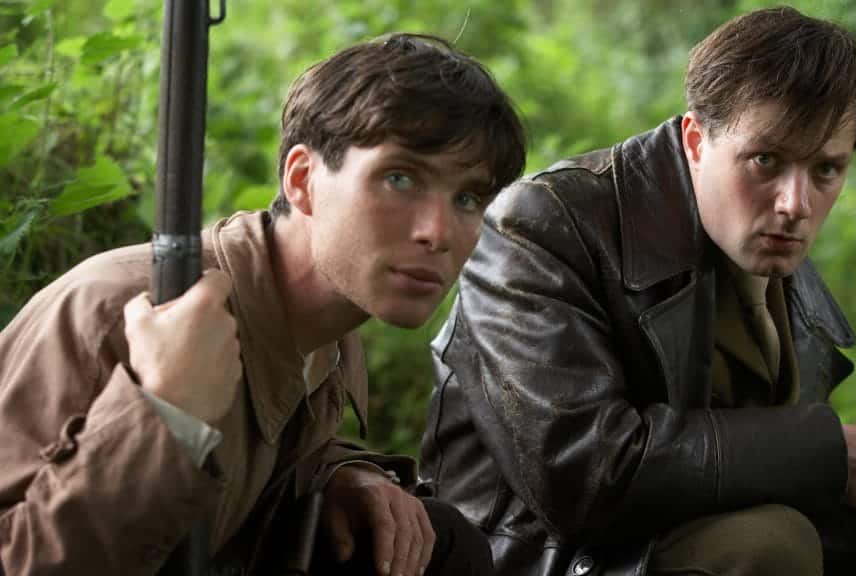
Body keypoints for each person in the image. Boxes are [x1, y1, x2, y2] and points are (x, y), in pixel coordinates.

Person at [418, 7, 856, 576]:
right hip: (526, 556)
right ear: (696, 141)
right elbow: (580, 471)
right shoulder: (542, 223)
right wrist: (832, 453)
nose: (796, 204)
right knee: (768, 546)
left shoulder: (773, 262)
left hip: (656, 540)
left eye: (826, 170)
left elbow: (741, 468)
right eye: (765, 161)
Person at [0, 33, 525, 576]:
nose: (437, 232)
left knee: (437, 540)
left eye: (467, 198)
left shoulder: (331, 324)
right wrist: (164, 418)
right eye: (399, 178)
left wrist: (342, 475)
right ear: (302, 180)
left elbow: (257, 448)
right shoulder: (121, 311)